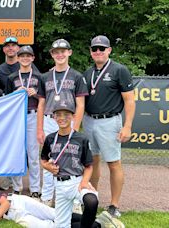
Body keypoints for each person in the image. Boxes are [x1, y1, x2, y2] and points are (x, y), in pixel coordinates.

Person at [83, 35, 135, 218]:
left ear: (109, 50)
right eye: (94, 49)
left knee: (113, 163)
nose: (98, 52)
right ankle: (92, 200)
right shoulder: (88, 73)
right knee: (92, 162)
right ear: (90, 51)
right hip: (89, 121)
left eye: (102, 48)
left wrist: (127, 126)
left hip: (110, 121)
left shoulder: (119, 70)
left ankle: (114, 205)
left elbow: (129, 100)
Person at [0, 174, 118, 228]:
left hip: (17, 203)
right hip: (13, 217)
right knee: (48, 226)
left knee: (54, 214)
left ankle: (98, 221)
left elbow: (5, 203)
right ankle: (98, 224)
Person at [37, 39, 88, 207]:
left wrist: (75, 128)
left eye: (63, 51)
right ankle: (46, 199)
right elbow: (41, 104)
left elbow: (80, 104)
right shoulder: (45, 76)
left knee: (71, 159)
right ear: (52, 54)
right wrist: (39, 129)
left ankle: (70, 198)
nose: (60, 54)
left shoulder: (77, 76)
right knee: (49, 160)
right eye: (56, 52)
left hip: (69, 121)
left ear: (69, 52)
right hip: (50, 121)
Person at [40, 102, 99, 228]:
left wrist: (84, 182)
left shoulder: (81, 138)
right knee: (62, 225)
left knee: (91, 201)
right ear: (54, 117)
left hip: (77, 182)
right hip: (60, 186)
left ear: (73, 116)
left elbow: (89, 166)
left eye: (66, 115)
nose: (62, 118)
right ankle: (97, 225)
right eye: (59, 115)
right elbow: (43, 160)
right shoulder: (50, 138)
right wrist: (48, 167)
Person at [5, 46, 42, 199]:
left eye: (28, 56)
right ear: (18, 58)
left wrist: (37, 94)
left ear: (33, 58)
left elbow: (45, 99)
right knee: (16, 152)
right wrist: (15, 92)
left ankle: (35, 188)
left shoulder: (39, 77)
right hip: (17, 116)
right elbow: (6, 98)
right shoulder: (12, 77)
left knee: (33, 154)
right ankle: (17, 187)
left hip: (32, 114)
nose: (25, 58)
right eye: (22, 56)